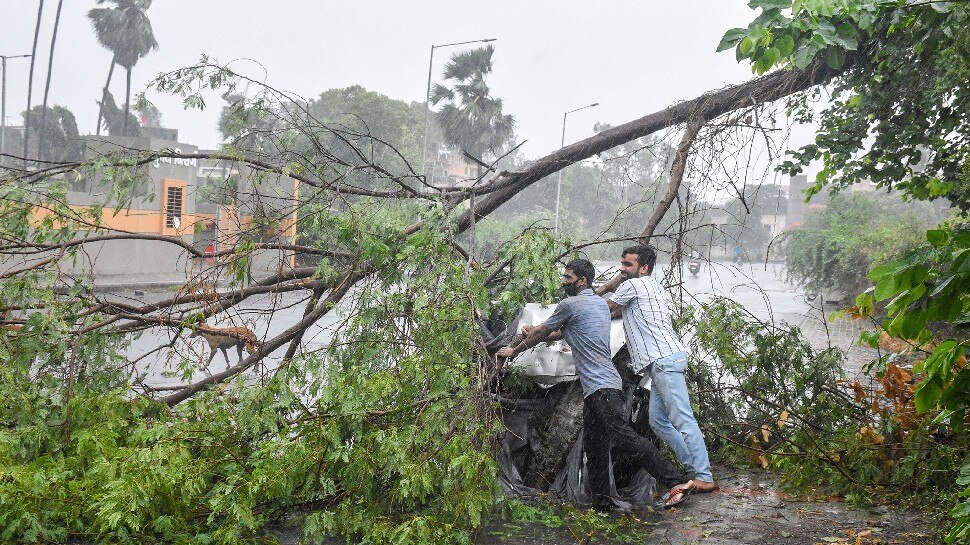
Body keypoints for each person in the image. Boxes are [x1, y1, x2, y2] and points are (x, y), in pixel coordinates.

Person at [497, 258, 694, 510]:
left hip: (602, 389)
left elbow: (544, 333)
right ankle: (602, 503)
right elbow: (557, 332)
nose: (564, 282)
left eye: (568, 278)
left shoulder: (570, 304)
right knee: (596, 447)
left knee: (625, 438)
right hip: (600, 389)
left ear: (582, 280)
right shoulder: (599, 306)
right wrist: (535, 330)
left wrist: (513, 350)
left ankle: (676, 481)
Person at [600, 245, 718, 495]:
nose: (622, 269)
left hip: (663, 361)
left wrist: (596, 292)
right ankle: (693, 469)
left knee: (682, 418)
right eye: (621, 264)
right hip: (664, 361)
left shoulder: (632, 286)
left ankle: (704, 476)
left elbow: (602, 308)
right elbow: (619, 311)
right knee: (658, 421)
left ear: (644, 268)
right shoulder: (652, 287)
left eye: (628, 265)